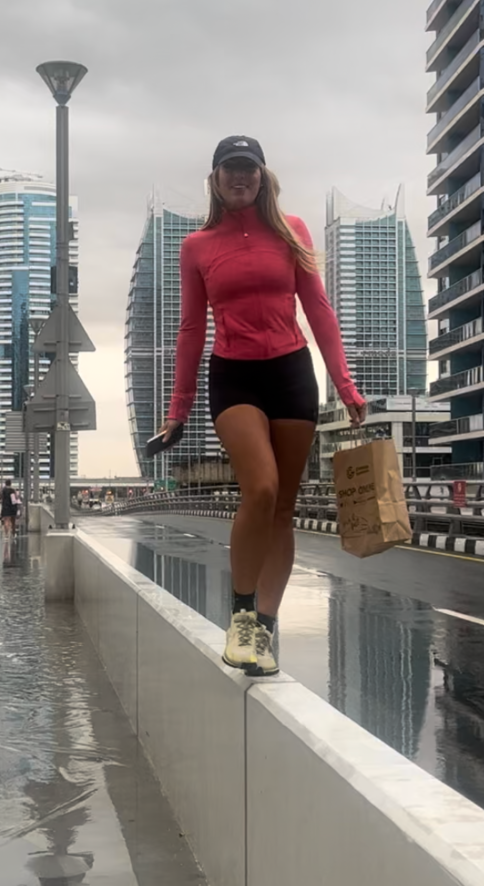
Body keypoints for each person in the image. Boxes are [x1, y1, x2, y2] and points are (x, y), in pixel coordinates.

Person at [154, 136, 366, 677]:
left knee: (283, 509)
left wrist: (344, 384)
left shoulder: (292, 230)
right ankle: (242, 618)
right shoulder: (197, 246)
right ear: (215, 179)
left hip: (291, 373)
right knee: (262, 488)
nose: (239, 177)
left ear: (262, 176)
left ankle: (265, 631)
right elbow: (190, 328)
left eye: (248, 168)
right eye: (230, 168)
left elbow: (318, 308)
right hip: (234, 376)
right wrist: (178, 408)